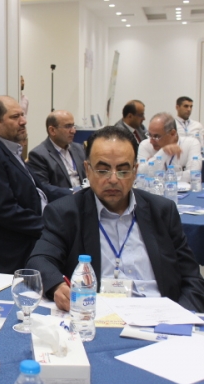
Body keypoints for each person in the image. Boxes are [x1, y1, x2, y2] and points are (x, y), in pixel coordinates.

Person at [27, 126, 204, 312]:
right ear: (88, 170)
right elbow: (40, 260)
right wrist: (57, 286)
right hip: (98, 315)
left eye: (123, 170)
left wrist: (180, 317)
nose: (113, 179)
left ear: (135, 171)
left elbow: (192, 279)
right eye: (103, 170)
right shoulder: (66, 213)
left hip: (161, 315)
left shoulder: (162, 211)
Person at [0, 96, 70, 274]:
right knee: (82, 242)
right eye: (15, 117)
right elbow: (7, 212)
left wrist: (74, 194)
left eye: (22, 115)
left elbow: (40, 189)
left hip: (32, 230)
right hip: (16, 247)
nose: (23, 121)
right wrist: (51, 226)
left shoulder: (8, 149)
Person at [27, 110, 86, 189]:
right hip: (64, 196)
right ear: (52, 130)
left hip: (85, 194)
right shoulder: (38, 155)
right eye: (68, 126)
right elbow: (44, 187)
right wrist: (75, 192)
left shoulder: (79, 149)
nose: (73, 131)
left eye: (73, 126)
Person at [137, 112, 201, 183]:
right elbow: (140, 175)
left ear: (172, 133)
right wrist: (163, 152)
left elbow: (194, 175)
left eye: (156, 136)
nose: (151, 141)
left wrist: (156, 175)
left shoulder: (191, 143)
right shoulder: (145, 145)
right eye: (149, 135)